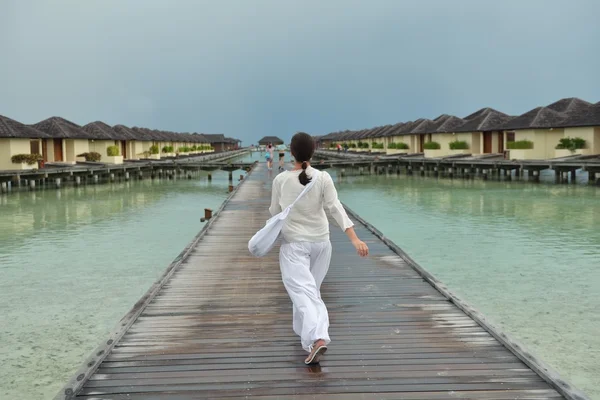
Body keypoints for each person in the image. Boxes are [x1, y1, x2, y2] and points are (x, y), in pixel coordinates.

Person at [269, 132, 369, 365]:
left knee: (305, 294)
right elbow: (335, 208)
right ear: (313, 152)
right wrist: (354, 239)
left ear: (291, 152)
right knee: (311, 291)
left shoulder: (281, 181)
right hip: (322, 244)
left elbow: (274, 212)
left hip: (295, 246)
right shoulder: (323, 178)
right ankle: (308, 338)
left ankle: (318, 338)